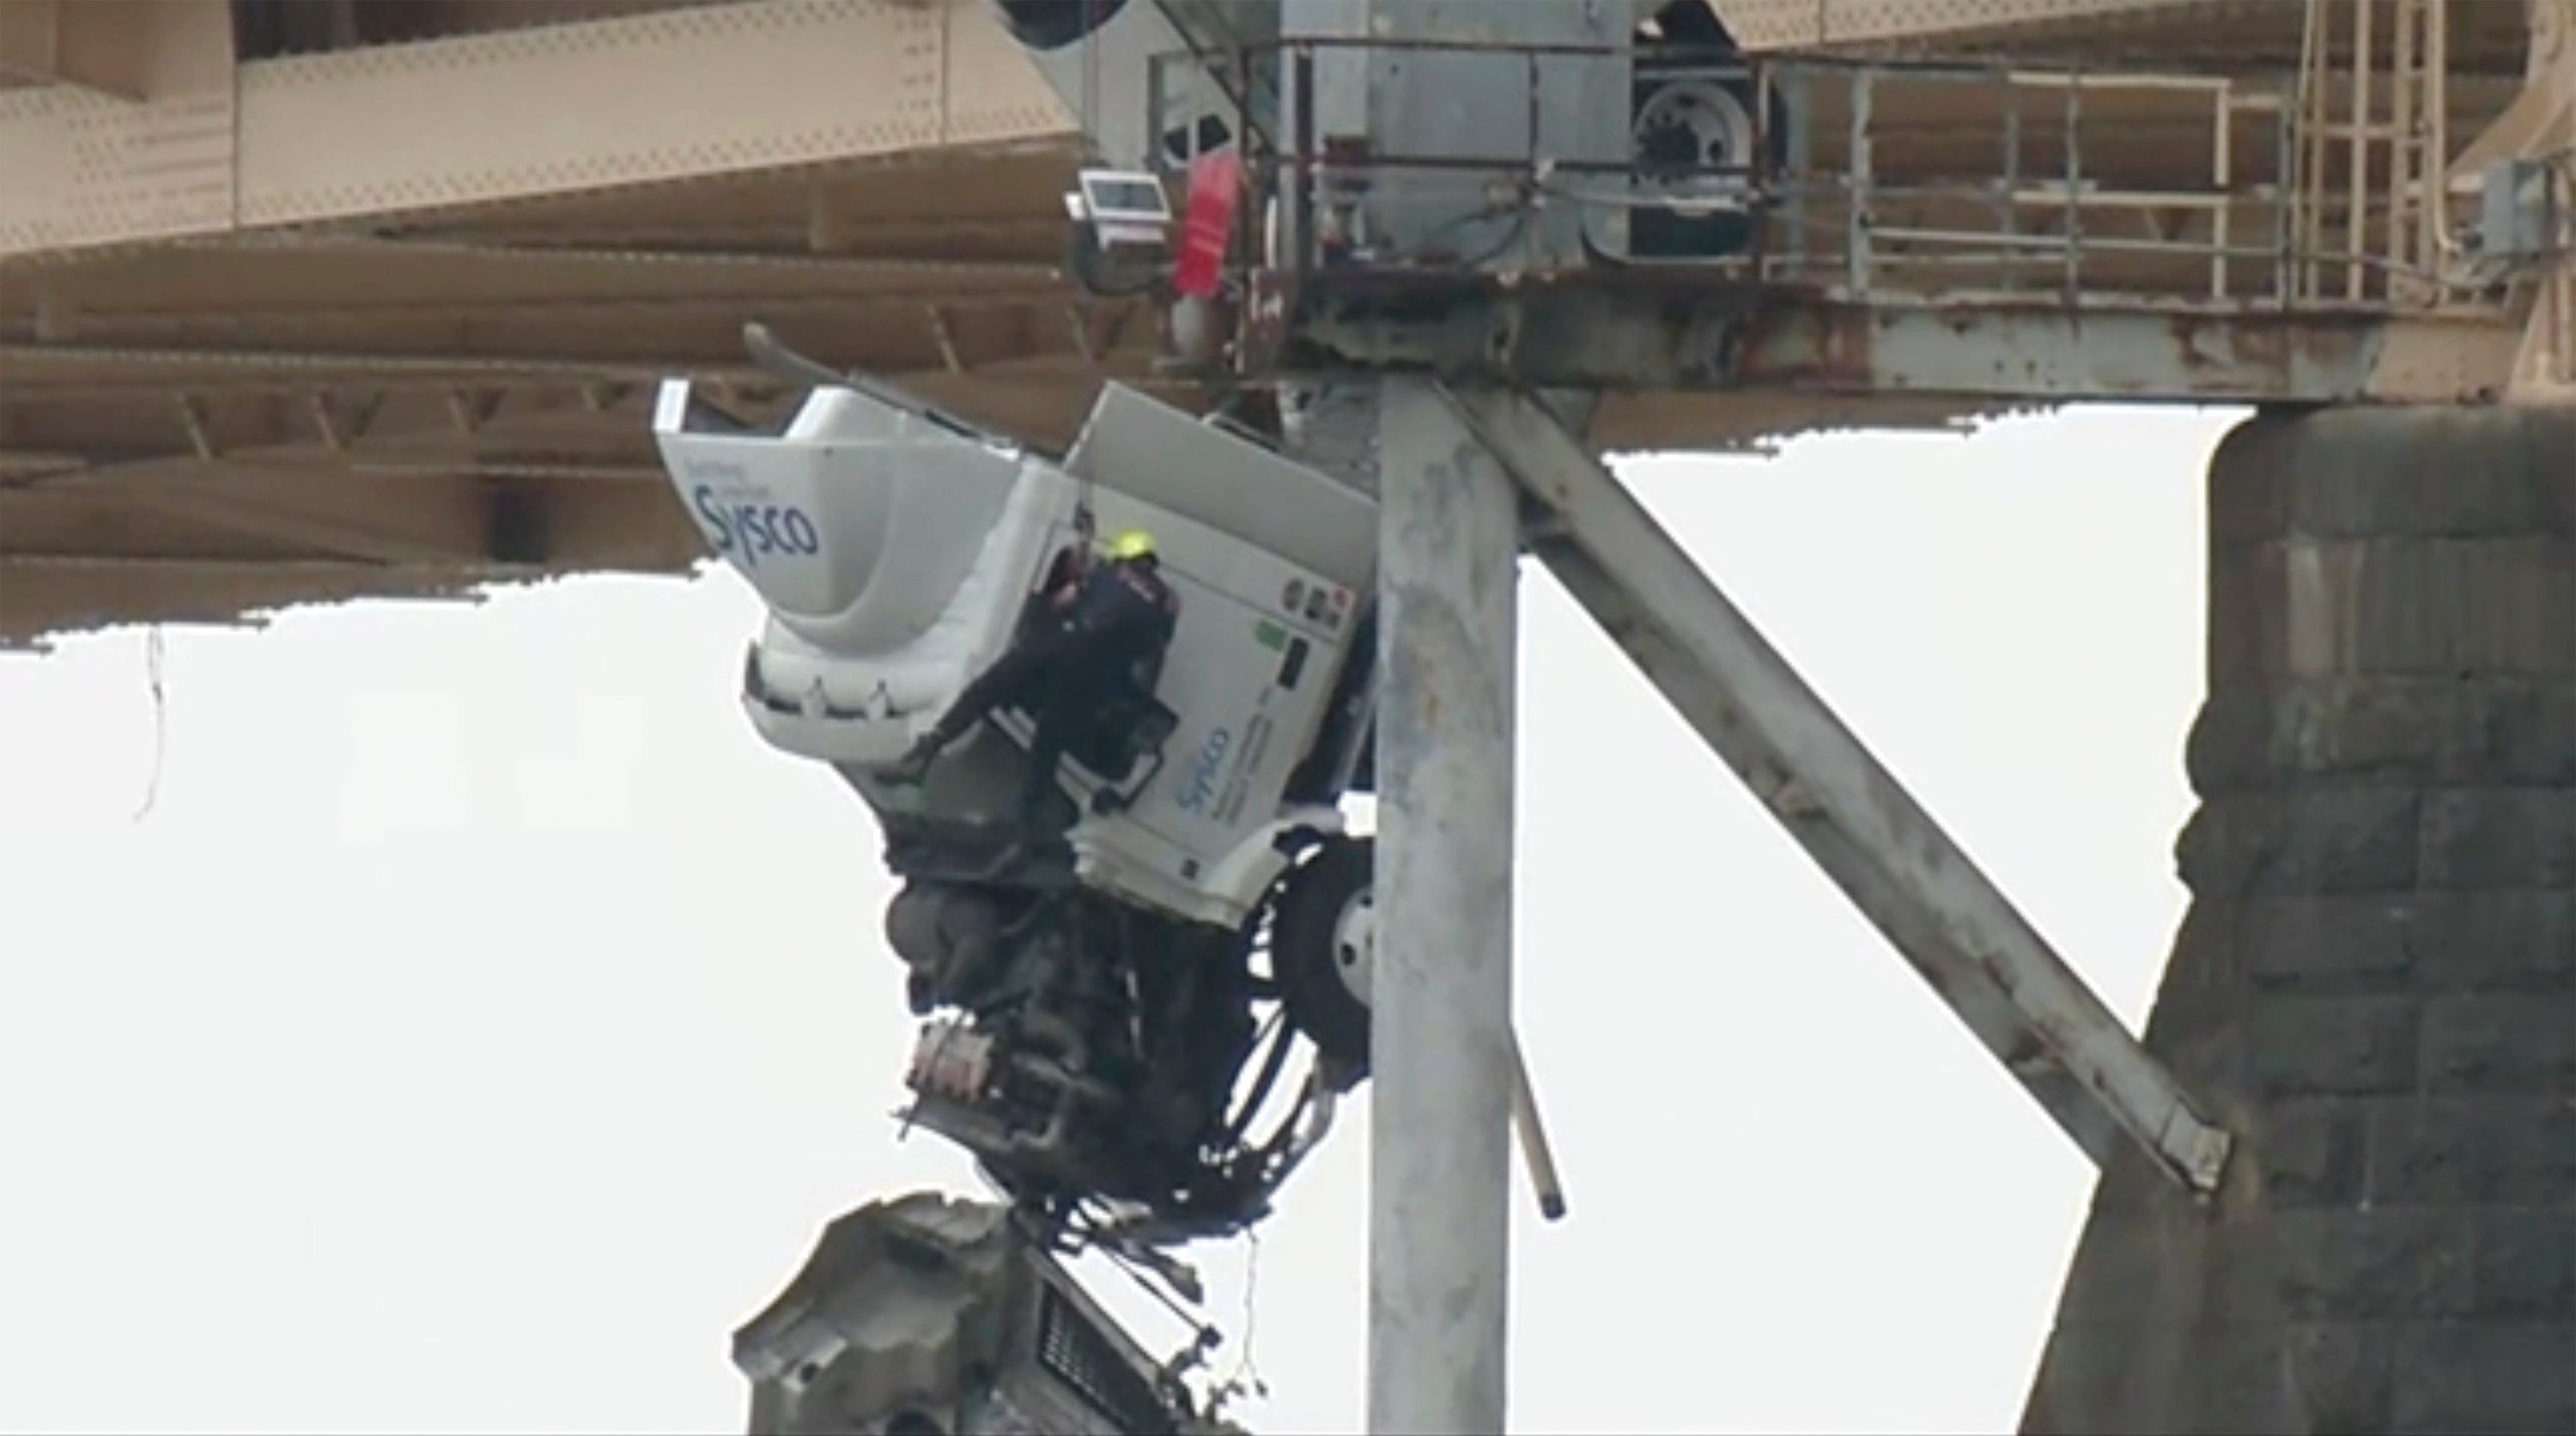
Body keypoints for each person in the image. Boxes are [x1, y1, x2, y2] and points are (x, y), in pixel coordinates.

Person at [885, 527, 1180, 834]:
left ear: (1124, 555)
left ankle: (926, 751)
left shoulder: (1106, 572)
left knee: (988, 689)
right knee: (1049, 742)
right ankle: (1027, 818)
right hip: (1091, 677)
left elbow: (1062, 602)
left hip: (1060, 645)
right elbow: (1148, 652)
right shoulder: (1163, 605)